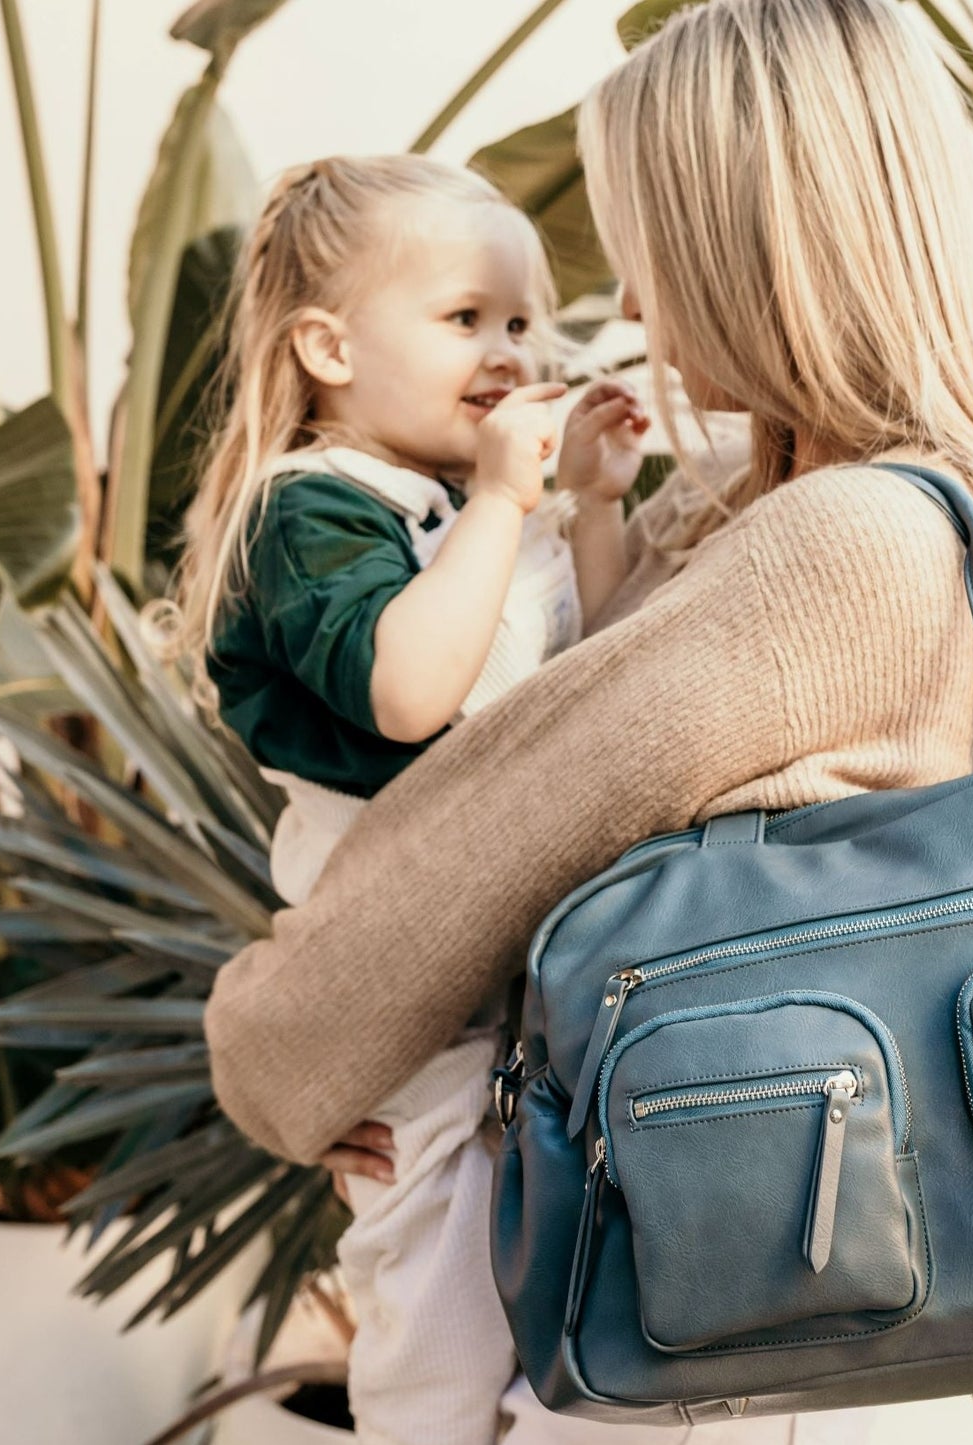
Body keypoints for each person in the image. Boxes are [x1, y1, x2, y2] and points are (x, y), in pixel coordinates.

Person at [204, 0, 973, 1438]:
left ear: (741, 251)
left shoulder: (840, 545)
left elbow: (482, 846)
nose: (625, 297)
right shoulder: (957, 500)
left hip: (752, 1324)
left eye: (642, 246)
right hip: (853, 1284)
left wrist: (272, 1058)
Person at [165, 154, 648, 1445]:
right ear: (326, 345)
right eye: (461, 318)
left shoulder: (467, 505)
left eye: (517, 321)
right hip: (414, 1011)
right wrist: (503, 498)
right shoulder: (314, 510)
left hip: (522, 996)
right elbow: (410, 693)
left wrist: (589, 508)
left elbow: (592, 674)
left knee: (552, 1342)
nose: (504, 350)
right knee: (436, 1341)